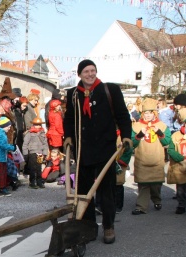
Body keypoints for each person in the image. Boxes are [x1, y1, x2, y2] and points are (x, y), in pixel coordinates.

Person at [63, 60, 132, 244]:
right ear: (79, 74)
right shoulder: (73, 94)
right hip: (83, 150)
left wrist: (126, 136)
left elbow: (123, 115)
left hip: (105, 148)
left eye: (93, 70)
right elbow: (69, 118)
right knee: (84, 191)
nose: (90, 74)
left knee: (106, 190)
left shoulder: (110, 90)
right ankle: (89, 226)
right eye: (86, 71)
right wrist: (68, 137)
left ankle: (108, 225)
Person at [131, 98, 172, 215]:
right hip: (142, 159)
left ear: (154, 113)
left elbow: (167, 142)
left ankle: (157, 200)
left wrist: (159, 133)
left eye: (150, 113)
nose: (148, 116)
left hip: (156, 159)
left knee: (155, 184)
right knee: (143, 185)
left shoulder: (162, 126)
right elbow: (132, 143)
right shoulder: (136, 126)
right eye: (145, 113)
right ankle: (141, 206)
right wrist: (139, 135)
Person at [166, 108, 186, 215]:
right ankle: (181, 205)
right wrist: (179, 157)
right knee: (180, 187)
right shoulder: (175, 136)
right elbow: (170, 149)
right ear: (185, 122)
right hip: (179, 166)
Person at [0, 116, 15, 197]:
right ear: (4, 126)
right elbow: (3, 145)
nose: (9, 128)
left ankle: (0, 188)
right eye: (8, 126)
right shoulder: (1, 135)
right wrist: (13, 147)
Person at [22, 117, 48, 188]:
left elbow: (45, 144)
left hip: (40, 153)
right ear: (33, 125)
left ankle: (39, 181)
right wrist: (25, 154)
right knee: (32, 168)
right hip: (32, 153)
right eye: (36, 124)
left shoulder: (43, 133)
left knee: (39, 168)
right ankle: (32, 182)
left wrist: (45, 153)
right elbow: (25, 144)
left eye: (39, 124)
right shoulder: (29, 133)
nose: (38, 126)